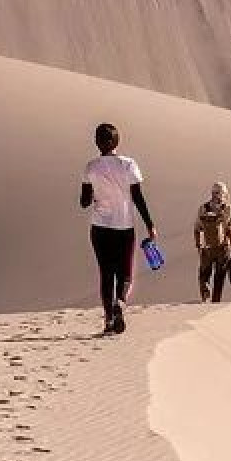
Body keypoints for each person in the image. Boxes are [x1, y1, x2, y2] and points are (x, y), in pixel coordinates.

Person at [79, 122, 156, 335]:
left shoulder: (91, 167)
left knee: (106, 274)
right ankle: (120, 302)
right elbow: (138, 197)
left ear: (97, 142)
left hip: (100, 227)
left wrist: (97, 195)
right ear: (117, 142)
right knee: (125, 272)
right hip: (124, 226)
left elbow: (84, 202)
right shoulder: (128, 164)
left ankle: (108, 322)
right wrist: (150, 224)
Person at [194, 180, 231, 304]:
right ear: (225, 194)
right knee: (219, 280)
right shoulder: (230, 209)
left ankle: (205, 293)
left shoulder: (203, 208)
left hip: (207, 248)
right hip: (223, 249)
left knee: (203, 275)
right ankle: (215, 303)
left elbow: (197, 229)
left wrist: (199, 247)